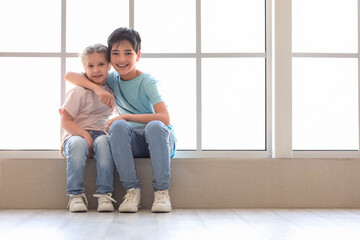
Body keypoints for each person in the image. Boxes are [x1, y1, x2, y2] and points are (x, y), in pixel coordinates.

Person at [65, 27, 176, 213]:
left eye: (128, 53)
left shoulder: (147, 81)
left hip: (159, 139)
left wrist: (126, 116)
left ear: (138, 56)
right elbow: (70, 75)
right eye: (115, 53)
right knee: (117, 126)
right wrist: (98, 89)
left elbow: (165, 118)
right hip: (133, 141)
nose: (122, 59)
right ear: (110, 59)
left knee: (154, 126)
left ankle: (161, 192)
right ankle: (132, 190)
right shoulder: (112, 79)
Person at [60, 43, 116, 213]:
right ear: (84, 68)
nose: (96, 70)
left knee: (106, 143)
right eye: (90, 66)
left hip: (100, 134)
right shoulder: (79, 91)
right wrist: (85, 135)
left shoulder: (111, 90)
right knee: (77, 145)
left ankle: (105, 194)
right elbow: (66, 121)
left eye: (100, 64)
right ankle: (75, 195)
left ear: (109, 66)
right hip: (76, 134)